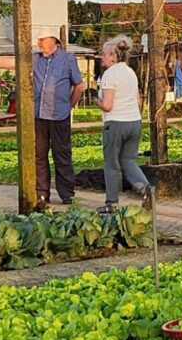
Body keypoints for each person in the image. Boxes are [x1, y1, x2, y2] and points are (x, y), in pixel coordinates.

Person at [96, 35, 150, 208]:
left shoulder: (109, 75)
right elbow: (138, 101)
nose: (101, 57)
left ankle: (111, 202)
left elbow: (107, 105)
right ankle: (145, 188)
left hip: (115, 123)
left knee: (111, 164)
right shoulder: (130, 72)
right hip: (134, 121)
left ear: (113, 55)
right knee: (128, 160)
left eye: (104, 54)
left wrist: (95, 100)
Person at [32, 31, 84, 206]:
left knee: (61, 154)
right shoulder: (35, 59)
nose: (39, 43)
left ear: (53, 40)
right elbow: (13, 63)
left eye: (42, 39)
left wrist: (68, 106)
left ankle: (66, 194)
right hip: (39, 115)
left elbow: (79, 86)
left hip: (59, 115)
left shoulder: (67, 59)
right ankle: (41, 193)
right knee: (39, 155)